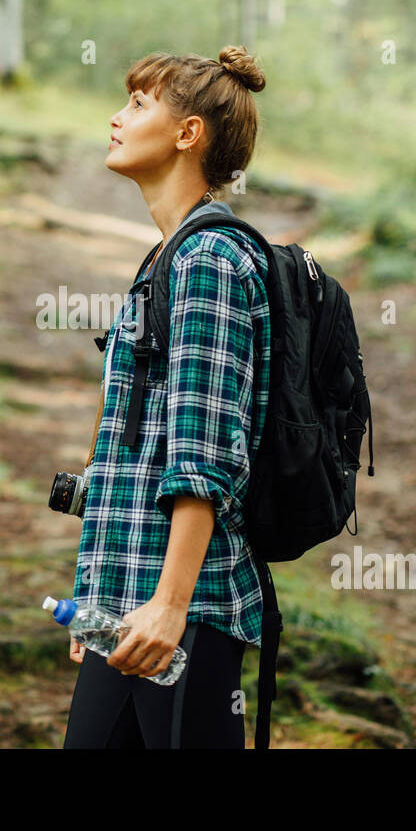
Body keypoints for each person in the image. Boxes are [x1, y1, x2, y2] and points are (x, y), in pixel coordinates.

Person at [62, 45, 271, 748]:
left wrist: (168, 606)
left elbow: (202, 455)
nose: (117, 119)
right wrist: (97, 597)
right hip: (126, 605)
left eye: (138, 104)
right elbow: (128, 445)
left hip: (186, 613)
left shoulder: (210, 262)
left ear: (189, 134)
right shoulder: (165, 257)